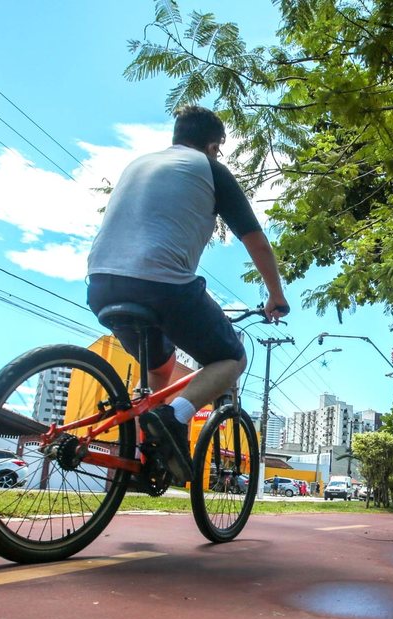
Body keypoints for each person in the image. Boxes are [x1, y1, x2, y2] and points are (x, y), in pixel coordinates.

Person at [86, 106, 289, 483]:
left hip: (100, 283)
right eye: (219, 149)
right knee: (230, 356)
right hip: (162, 286)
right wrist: (276, 296)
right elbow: (256, 241)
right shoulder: (209, 169)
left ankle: (140, 458)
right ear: (214, 145)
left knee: (158, 369)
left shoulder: (138, 163)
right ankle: (175, 417)